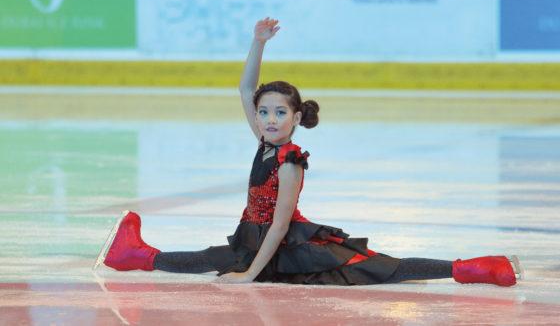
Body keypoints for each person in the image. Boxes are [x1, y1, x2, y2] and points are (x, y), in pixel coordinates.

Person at [94, 18, 522, 286]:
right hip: (251, 238)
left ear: (297, 117)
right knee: (207, 259)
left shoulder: (289, 161)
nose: (270, 118)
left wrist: (249, 275)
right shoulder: (264, 142)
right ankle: (136, 255)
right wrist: (257, 42)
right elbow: (245, 89)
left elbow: (280, 228)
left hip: (290, 247)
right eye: (264, 112)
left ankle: (473, 267)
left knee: (379, 267)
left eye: (280, 112)